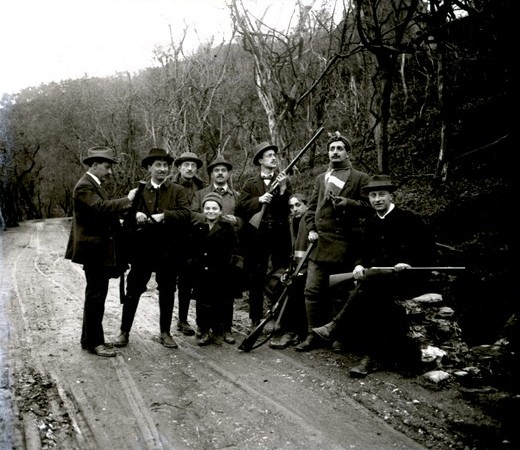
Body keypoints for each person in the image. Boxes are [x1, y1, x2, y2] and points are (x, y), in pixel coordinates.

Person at [312, 174, 437, 377]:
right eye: (373, 196)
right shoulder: (370, 222)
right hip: (378, 280)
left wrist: (409, 263)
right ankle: (370, 355)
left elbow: (428, 252)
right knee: (373, 291)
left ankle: (337, 328)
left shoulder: (409, 219)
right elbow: (362, 251)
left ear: (391, 196)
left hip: (408, 278)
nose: (377, 199)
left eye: (381, 194)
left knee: (371, 291)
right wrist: (359, 265)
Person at [295, 132, 371, 352]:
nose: (335, 152)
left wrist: (348, 202)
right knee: (311, 291)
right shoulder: (321, 178)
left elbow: (369, 208)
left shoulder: (360, 178)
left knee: (340, 294)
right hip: (319, 246)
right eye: (331, 149)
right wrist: (311, 229)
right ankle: (312, 335)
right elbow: (311, 209)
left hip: (345, 246)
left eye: (339, 148)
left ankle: (339, 337)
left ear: (348, 153)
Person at [114, 148, 191, 349]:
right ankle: (124, 331)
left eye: (165, 165)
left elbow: (186, 214)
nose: (163, 169)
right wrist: (135, 215)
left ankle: (165, 332)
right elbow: (124, 216)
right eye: (158, 165)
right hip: (142, 251)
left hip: (168, 250)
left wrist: (165, 216)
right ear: (149, 168)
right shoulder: (139, 191)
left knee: (167, 291)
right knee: (133, 290)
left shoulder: (177, 190)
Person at [65, 146, 138, 357]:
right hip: (94, 252)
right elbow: (101, 208)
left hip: (96, 250)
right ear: (95, 165)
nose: (110, 172)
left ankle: (88, 340)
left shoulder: (93, 184)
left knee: (95, 296)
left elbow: (100, 214)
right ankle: (95, 343)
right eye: (107, 167)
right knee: (96, 297)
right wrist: (128, 200)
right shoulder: (84, 186)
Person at [236, 142, 292, 329]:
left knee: (281, 275)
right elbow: (240, 207)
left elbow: (288, 209)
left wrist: (282, 189)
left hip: (279, 235)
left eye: (274, 155)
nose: (273, 158)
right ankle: (255, 319)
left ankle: (279, 319)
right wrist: (258, 200)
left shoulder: (284, 180)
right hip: (257, 235)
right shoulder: (250, 183)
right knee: (256, 277)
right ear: (260, 160)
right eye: (269, 155)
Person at [191, 154, 243, 344]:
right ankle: (204, 329)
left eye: (224, 170)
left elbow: (236, 246)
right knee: (203, 300)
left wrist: (234, 266)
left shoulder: (234, 202)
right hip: (203, 269)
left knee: (225, 300)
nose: (211, 211)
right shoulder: (199, 225)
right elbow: (193, 247)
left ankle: (225, 329)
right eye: (208, 208)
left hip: (223, 269)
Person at [268, 193, 311, 349]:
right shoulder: (293, 222)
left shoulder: (310, 221)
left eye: (298, 205)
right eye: (291, 206)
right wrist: (289, 270)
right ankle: (282, 323)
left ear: (306, 205)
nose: (295, 209)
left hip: (311, 267)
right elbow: (294, 252)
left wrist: (300, 271)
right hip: (297, 266)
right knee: (275, 281)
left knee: (295, 288)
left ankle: (293, 331)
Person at [172, 151, 206, 337]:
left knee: (193, 280)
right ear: (179, 167)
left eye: (193, 166)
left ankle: (192, 321)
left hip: (196, 239)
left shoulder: (201, 186)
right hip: (174, 239)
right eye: (186, 165)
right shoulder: (170, 185)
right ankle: (178, 320)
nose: (190, 168)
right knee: (173, 283)